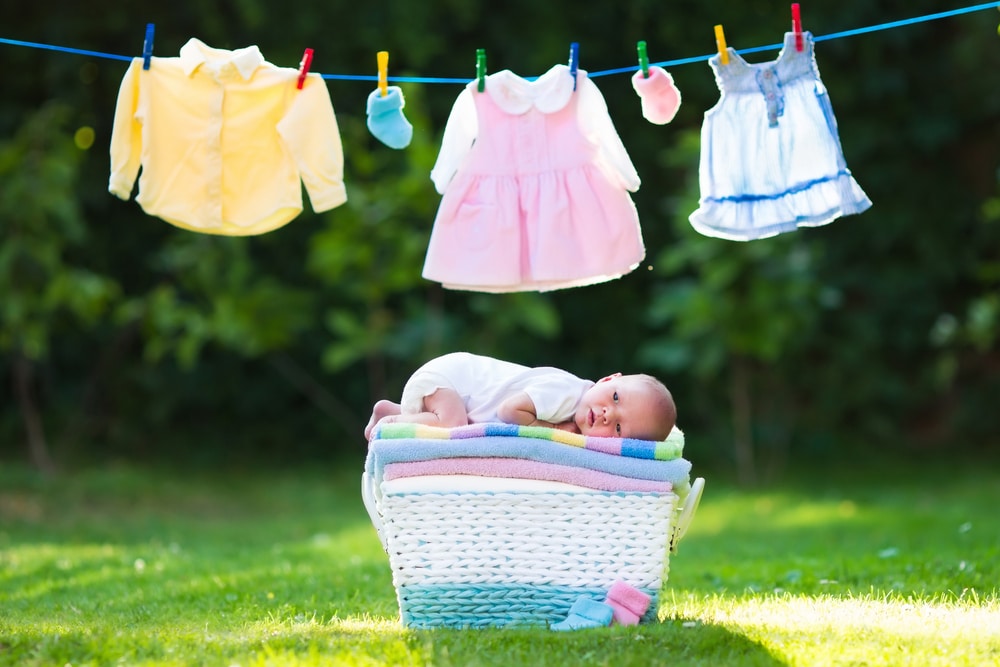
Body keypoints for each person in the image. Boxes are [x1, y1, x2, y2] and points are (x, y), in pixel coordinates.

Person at [364, 352, 676, 442]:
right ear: (608, 379)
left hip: (451, 385)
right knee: (452, 426)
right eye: (616, 399)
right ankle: (393, 423)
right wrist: (550, 429)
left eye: (619, 428)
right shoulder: (568, 394)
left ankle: (386, 408)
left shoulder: (577, 408)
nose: (609, 414)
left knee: (448, 421)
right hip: (452, 382)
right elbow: (511, 410)